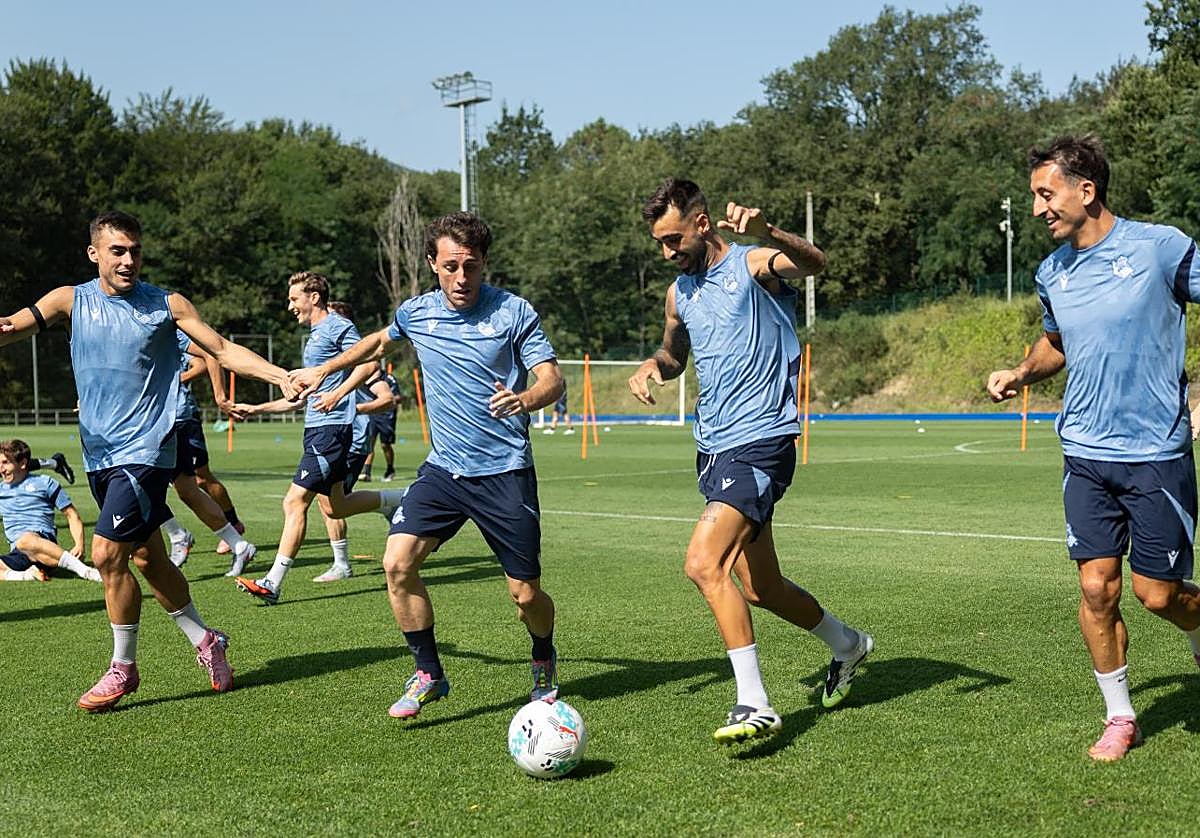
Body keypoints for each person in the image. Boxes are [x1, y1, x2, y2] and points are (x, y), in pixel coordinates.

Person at [0, 210, 297, 712]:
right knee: (149, 560)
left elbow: (221, 348)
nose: (128, 259)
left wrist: (279, 375)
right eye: (117, 250)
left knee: (106, 554)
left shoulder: (166, 303)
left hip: (147, 451)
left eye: (135, 250)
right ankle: (208, 641)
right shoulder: (70, 300)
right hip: (99, 453)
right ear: (94, 253)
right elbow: (13, 326)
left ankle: (123, 669)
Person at [289, 211, 565, 719]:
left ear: (485, 264)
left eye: (474, 266)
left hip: (504, 471)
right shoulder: (418, 312)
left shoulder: (514, 312)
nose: (464, 278)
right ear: (432, 264)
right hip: (444, 471)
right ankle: (429, 674)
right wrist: (323, 370)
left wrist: (525, 399)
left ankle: (544, 653)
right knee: (396, 564)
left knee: (525, 595)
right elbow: (378, 341)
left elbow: (553, 380)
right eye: (453, 266)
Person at [629, 178, 873, 744]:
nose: (667, 252)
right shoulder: (677, 294)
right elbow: (673, 354)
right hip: (712, 446)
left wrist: (769, 231)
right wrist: (649, 369)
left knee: (702, 563)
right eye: (659, 244)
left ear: (702, 222)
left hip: (762, 439)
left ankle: (754, 701)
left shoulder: (753, 265)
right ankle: (848, 644)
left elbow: (814, 263)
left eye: (673, 239)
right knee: (760, 587)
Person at [987, 134, 1200, 762]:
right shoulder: (1051, 272)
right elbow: (1057, 342)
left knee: (1157, 594)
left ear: (1087, 190)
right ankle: (1120, 715)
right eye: (1034, 196)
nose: (1037, 209)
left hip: (1156, 452)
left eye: (1045, 194)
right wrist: (1021, 372)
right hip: (1084, 451)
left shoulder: (1159, 248)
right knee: (1097, 589)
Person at [232, 275, 404, 603]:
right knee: (336, 506)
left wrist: (338, 394)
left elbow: (369, 365)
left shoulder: (337, 326)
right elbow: (300, 397)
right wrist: (255, 410)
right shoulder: (314, 337)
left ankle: (273, 582)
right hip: (317, 429)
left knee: (294, 502)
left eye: (294, 299)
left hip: (331, 431)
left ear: (313, 297)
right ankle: (398, 497)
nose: (290, 306)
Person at [161, 331, 257, 576]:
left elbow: (207, 356)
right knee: (181, 488)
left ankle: (226, 526)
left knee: (198, 480)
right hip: (153, 420)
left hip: (179, 418)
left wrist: (219, 397)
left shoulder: (167, 331)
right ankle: (235, 543)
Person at [0, 439, 99, 582]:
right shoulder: (1, 490)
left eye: (5, 463)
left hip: (42, 540)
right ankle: (27, 575)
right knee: (22, 544)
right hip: (19, 553)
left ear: (22, 463)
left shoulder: (45, 483)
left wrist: (79, 544)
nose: (1, 469)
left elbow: (71, 514)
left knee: (25, 540)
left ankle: (86, 571)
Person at [359, 360, 402, 482]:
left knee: (385, 445)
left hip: (387, 416)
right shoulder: (364, 378)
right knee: (369, 443)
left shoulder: (388, 378)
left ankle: (390, 469)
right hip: (372, 415)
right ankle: (366, 472)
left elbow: (398, 396)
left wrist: (385, 400)